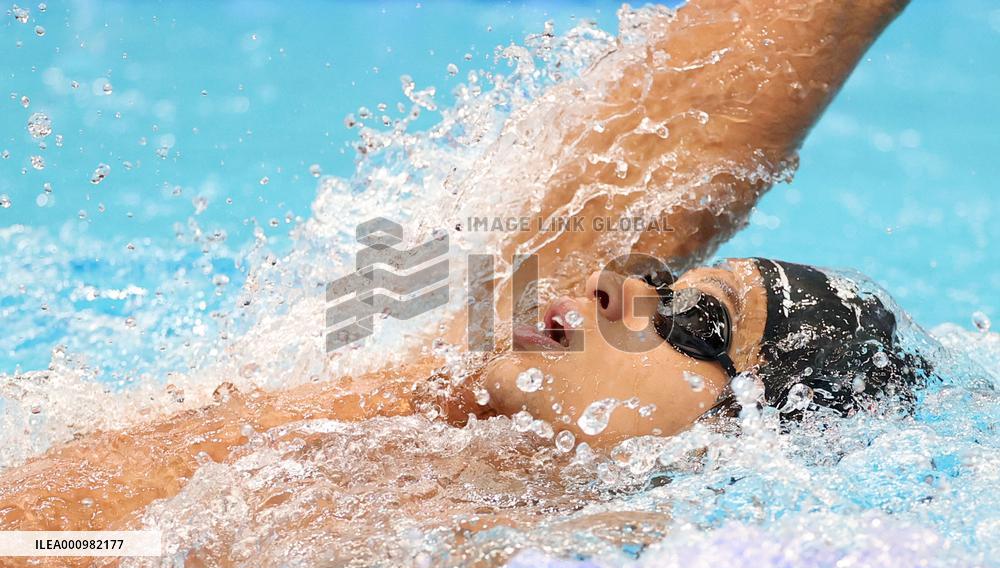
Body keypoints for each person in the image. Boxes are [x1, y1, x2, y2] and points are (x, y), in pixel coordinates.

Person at [0, 0, 914, 539]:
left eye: (698, 323)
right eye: (662, 283)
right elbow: (671, 156)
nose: (621, 284)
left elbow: (60, 546)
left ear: (738, 440)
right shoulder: (445, 409)